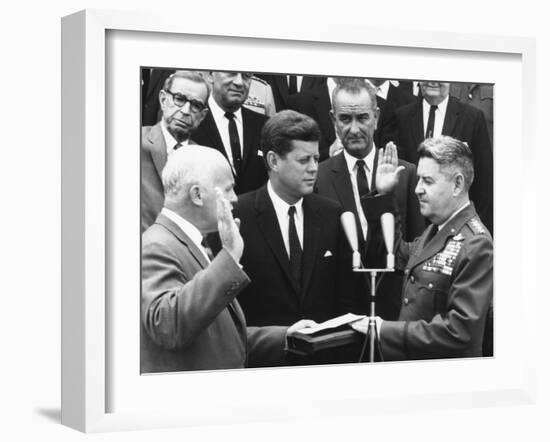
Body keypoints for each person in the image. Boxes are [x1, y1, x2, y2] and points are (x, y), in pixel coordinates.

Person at [141, 146, 315, 373]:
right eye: (228, 189)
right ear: (197, 195)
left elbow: (220, 337)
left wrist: (285, 335)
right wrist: (230, 256)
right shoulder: (157, 244)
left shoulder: (189, 242)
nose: (234, 198)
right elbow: (167, 325)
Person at [352, 137, 493, 360]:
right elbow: (394, 255)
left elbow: (459, 331)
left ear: (457, 184)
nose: (417, 189)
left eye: (427, 181)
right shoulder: (436, 231)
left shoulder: (475, 243)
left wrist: (384, 330)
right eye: (419, 180)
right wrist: (383, 195)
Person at [234, 110, 356, 328]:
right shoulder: (239, 216)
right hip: (263, 356)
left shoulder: (331, 214)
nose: (313, 168)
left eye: (316, 159)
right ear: (273, 161)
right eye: (303, 160)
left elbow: (347, 296)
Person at [316, 79, 424, 319]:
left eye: (362, 118)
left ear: (376, 116)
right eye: (345, 119)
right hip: (340, 313)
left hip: (394, 309)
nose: (354, 129)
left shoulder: (406, 174)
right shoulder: (319, 178)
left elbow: (416, 250)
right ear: (333, 119)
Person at [393, 81, 493, 233]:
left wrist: (477, 233)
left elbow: (484, 186)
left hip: (457, 230)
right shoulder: (402, 117)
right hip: (413, 230)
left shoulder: (472, 118)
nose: (433, 80)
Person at [141, 70, 210, 233]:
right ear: (163, 100)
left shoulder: (204, 161)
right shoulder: (133, 142)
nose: (186, 110)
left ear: (202, 116)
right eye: (179, 99)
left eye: (196, 105)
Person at [192, 71, 269, 195]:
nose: (239, 82)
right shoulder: (192, 122)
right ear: (211, 75)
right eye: (231, 73)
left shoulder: (265, 126)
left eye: (246, 76)